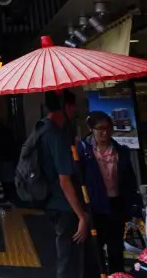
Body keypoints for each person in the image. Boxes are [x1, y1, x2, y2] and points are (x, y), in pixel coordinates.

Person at [79, 110, 142, 275]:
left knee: (116, 251)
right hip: (94, 208)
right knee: (94, 254)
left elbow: (129, 180)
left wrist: (133, 205)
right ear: (91, 129)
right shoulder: (83, 152)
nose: (104, 132)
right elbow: (77, 180)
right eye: (100, 128)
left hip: (116, 207)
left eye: (108, 128)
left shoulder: (120, 151)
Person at [38, 90, 89, 278]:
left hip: (51, 202)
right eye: (72, 105)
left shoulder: (41, 128)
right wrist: (81, 215)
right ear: (64, 106)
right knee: (69, 260)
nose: (75, 109)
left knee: (67, 256)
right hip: (65, 206)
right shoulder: (57, 135)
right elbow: (64, 180)